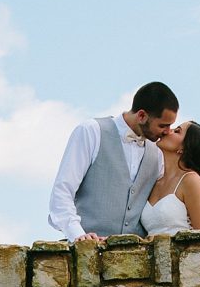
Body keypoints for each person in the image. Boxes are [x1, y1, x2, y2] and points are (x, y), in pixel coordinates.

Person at [48, 85, 178, 243]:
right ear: (142, 115)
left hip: (136, 258)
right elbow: (62, 191)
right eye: (163, 125)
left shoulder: (157, 153)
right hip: (86, 253)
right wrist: (78, 235)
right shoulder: (91, 131)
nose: (168, 131)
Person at [140, 120, 200, 234]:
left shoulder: (191, 180)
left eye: (177, 131)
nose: (167, 131)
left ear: (184, 148)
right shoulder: (155, 181)